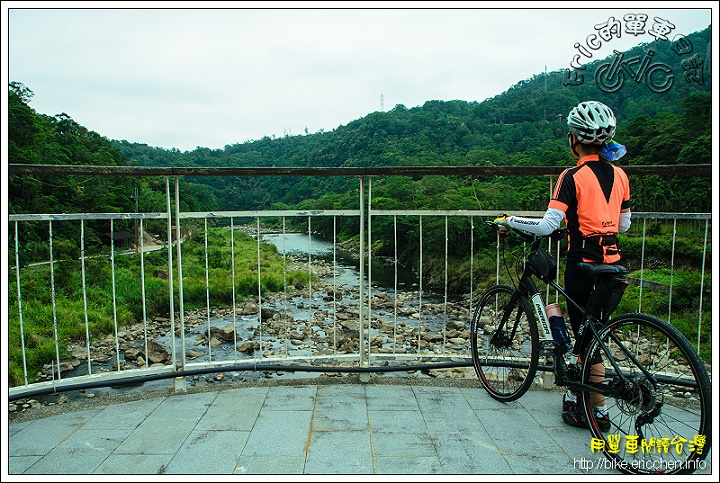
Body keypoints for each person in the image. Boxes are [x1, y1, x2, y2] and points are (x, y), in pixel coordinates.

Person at [494, 100, 631, 431]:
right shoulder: (621, 174)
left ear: (575, 139)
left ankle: (597, 411)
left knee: (587, 342)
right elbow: (623, 225)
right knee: (590, 333)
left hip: (583, 265)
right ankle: (576, 398)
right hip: (613, 265)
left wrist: (510, 220)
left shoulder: (572, 176)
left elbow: (544, 225)